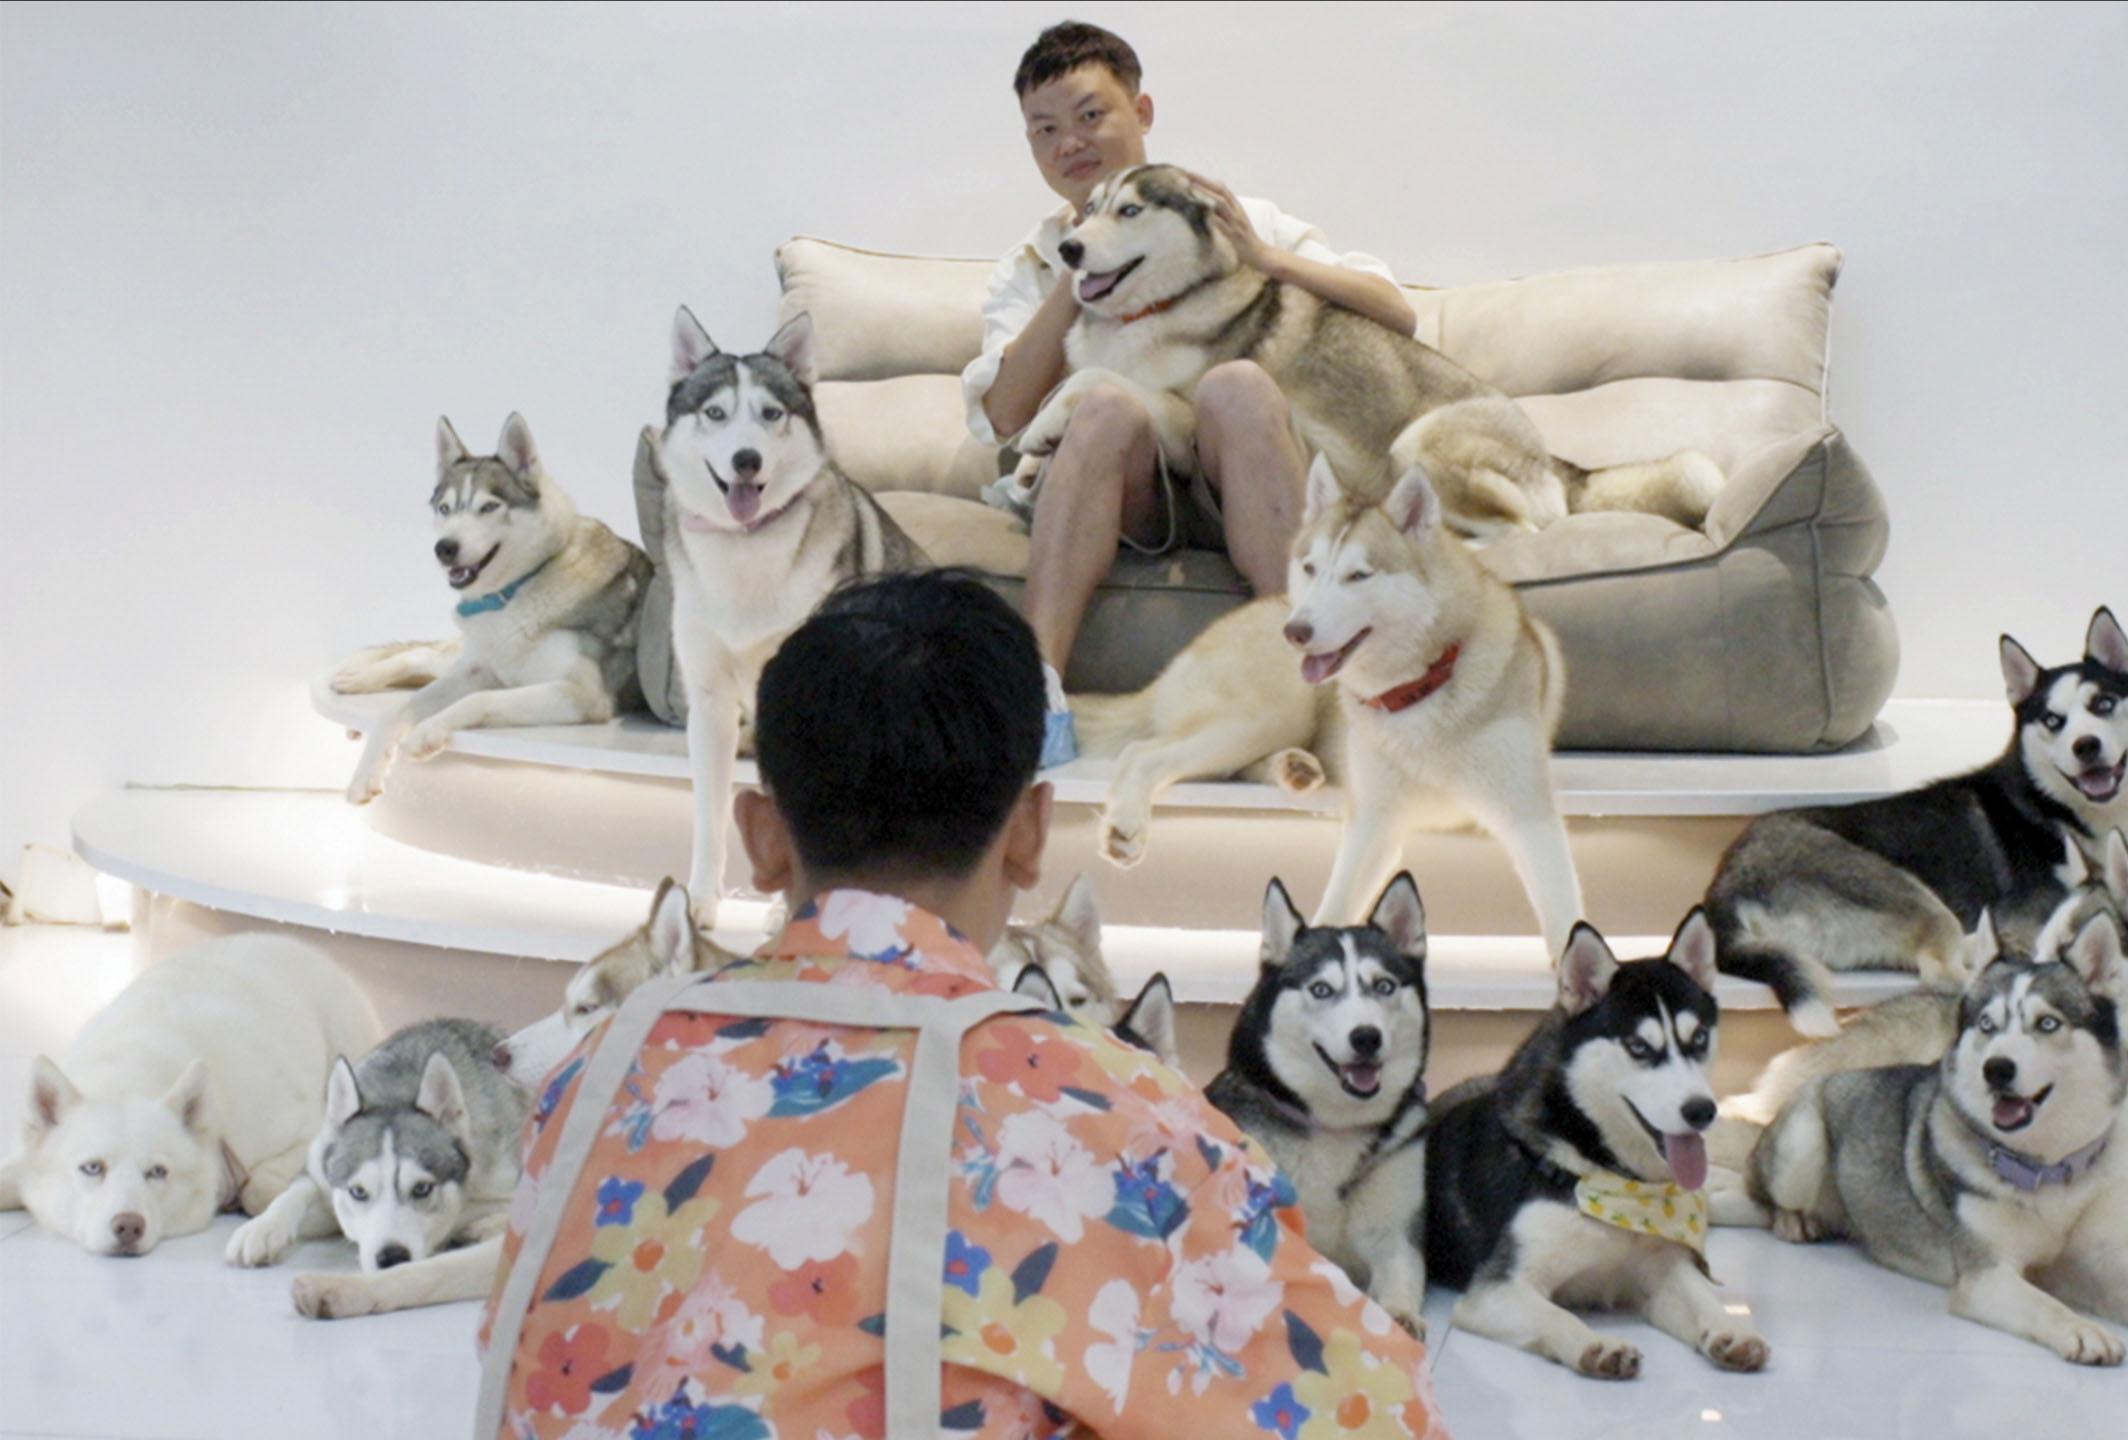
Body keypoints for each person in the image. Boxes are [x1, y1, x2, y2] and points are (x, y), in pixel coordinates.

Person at [479, 570, 1446, 1440]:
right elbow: (1375, 1416)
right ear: (1029, 837)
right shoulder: (1115, 1121)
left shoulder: (593, 1083)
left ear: (762, 840)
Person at [961, 20, 1416, 767]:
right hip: (1131, 491)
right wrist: (1088, 269)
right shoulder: (1031, 266)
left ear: (1141, 114)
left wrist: (1264, 258)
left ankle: (1312, 683)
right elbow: (1005, 413)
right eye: (1043, 130)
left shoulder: (1228, 217)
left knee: (1236, 383)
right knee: (1103, 404)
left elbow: (1396, 311)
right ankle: (1033, 700)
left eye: (1089, 115)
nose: (1068, 142)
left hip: (1249, 464)